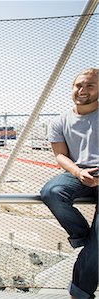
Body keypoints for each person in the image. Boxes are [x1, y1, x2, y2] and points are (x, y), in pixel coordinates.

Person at [40, 68, 98, 299]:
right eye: (78, 85)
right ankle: (82, 237)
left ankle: (80, 293)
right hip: (78, 173)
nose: (82, 90)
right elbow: (60, 156)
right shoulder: (59, 121)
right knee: (51, 191)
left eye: (90, 85)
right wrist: (77, 172)